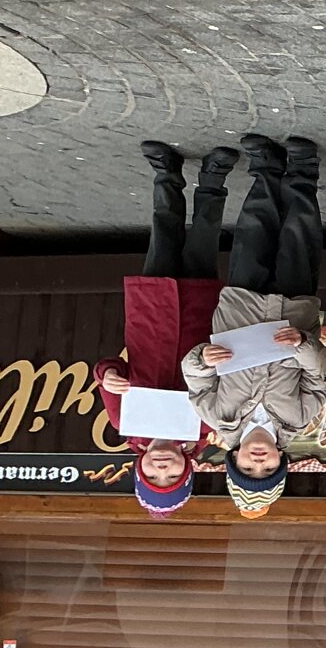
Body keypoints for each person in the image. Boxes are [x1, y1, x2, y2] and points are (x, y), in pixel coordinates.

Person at [180, 134, 326, 518]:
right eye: (268, 469)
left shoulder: (217, 417)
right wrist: (302, 344)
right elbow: (322, 377)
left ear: (233, 458)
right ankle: (303, 170)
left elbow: (195, 378)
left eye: (248, 468)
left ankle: (266, 168)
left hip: (240, 309)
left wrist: (203, 358)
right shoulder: (299, 419)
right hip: (294, 312)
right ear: (281, 460)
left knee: (254, 233)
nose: (258, 461)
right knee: (299, 236)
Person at [96, 139, 237, 516]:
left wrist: (109, 376)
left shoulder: (125, 423)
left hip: (151, 316)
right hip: (198, 318)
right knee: (204, 242)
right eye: (171, 477)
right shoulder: (206, 429)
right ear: (187, 468)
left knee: (164, 236)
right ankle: (213, 177)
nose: (162, 470)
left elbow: (109, 369)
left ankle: (166, 174)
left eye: (152, 478)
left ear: (138, 469)